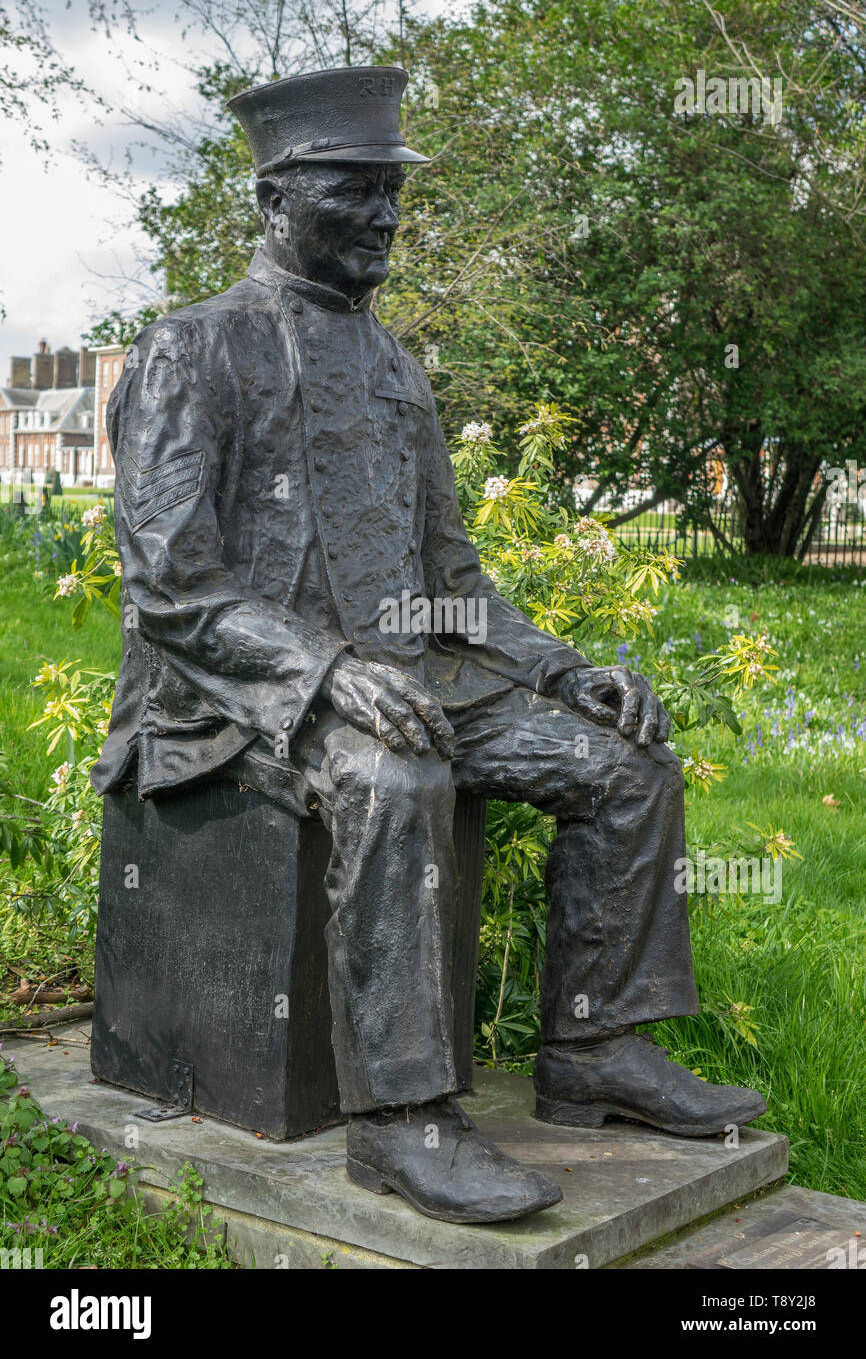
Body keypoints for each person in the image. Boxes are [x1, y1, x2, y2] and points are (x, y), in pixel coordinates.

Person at [92, 66, 765, 1226]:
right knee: (393, 772)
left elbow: (452, 582)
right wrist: (322, 671)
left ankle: (594, 1048)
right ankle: (400, 1121)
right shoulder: (190, 352)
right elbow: (170, 584)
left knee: (625, 763)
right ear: (272, 200)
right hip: (232, 700)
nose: (385, 214)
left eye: (391, 191)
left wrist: (561, 666)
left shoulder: (396, 369)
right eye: (353, 190)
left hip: (410, 669)